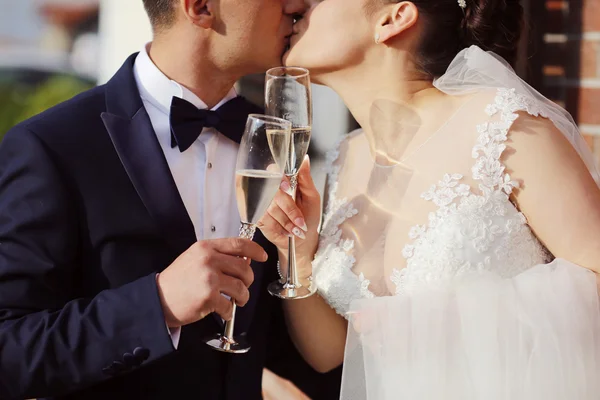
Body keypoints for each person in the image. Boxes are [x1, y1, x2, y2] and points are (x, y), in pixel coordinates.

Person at [0, 0, 342, 399]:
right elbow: (9, 352)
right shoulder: (51, 146)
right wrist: (157, 304)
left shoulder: (274, 141)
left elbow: (299, 357)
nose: (297, 5)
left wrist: (297, 265)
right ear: (200, 7)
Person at [259, 0, 600, 398]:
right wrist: (297, 256)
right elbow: (329, 352)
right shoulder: (345, 156)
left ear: (393, 18)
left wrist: (441, 322)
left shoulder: (505, 128)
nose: (297, 5)